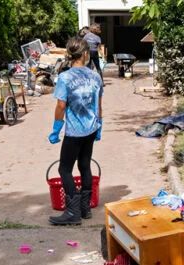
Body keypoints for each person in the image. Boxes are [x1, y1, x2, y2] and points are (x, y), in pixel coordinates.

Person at [48, 37, 103, 226]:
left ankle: (73, 211)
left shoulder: (65, 78)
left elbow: (61, 105)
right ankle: (85, 208)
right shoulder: (95, 77)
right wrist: (100, 124)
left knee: (64, 169)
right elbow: (99, 104)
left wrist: (56, 128)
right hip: (91, 129)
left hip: (74, 132)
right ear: (86, 54)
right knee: (85, 166)